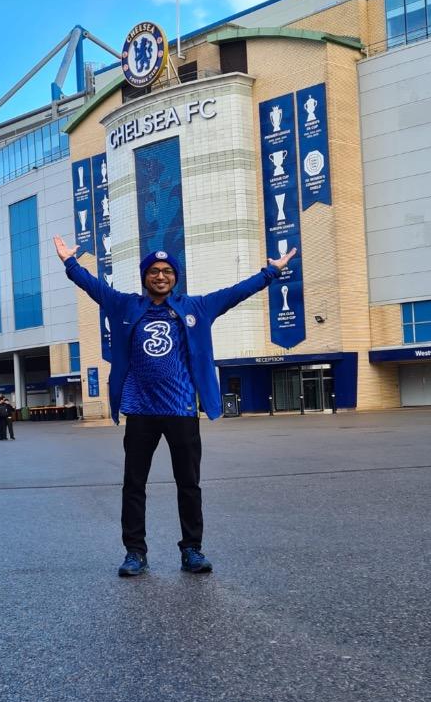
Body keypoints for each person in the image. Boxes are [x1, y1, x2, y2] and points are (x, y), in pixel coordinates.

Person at [54, 235, 295, 577]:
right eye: (154, 271)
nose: (161, 276)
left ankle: (192, 550)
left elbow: (235, 293)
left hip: (181, 410)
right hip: (140, 410)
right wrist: (70, 262)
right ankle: (135, 553)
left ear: (175, 277)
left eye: (167, 271)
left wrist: (270, 273)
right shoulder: (125, 306)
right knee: (134, 484)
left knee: (188, 483)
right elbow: (94, 287)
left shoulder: (196, 307)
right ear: (144, 276)